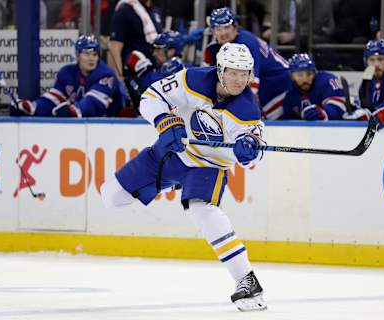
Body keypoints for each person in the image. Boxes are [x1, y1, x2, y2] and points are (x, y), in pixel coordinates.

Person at [100, 42, 267, 312]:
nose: (239, 80)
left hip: (208, 166)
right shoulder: (191, 79)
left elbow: (255, 156)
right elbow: (149, 97)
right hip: (170, 154)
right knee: (111, 196)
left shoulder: (247, 109)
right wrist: (164, 121)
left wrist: (248, 150)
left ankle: (247, 281)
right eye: (233, 72)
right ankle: (170, 184)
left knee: (201, 210)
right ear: (220, 69)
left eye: (244, 73)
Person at [203, 7, 291, 120]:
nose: (223, 32)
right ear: (213, 31)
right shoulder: (215, 47)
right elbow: (209, 80)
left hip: (280, 89)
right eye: (218, 29)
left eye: (227, 27)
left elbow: (251, 85)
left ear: (235, 27)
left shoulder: (246, 44)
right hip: (268, 89)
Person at [11, 35, 123, 117]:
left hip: (114, 125)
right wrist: (32, 107)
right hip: (83, 125)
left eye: (95, 54)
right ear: (77, 56)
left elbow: (94, 103)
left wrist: (75, 110)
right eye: (87, 54)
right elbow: (54, 98)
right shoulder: (67, 73)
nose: (91, 58)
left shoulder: (106, 75)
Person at [108, 0, 163, 79]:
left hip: (153, 71)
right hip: (132, 75)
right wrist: (119, 80)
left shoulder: (155, 10)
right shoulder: (125, 10)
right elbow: (114, 48)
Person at [281, 53, 346, 120]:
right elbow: (288, 121)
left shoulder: (327, 81)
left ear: (314, 73)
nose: (305, 79)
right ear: (292, 76)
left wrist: (324, 113)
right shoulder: (289, 91)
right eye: (300, 75)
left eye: (309, 74)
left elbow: (338, 107)